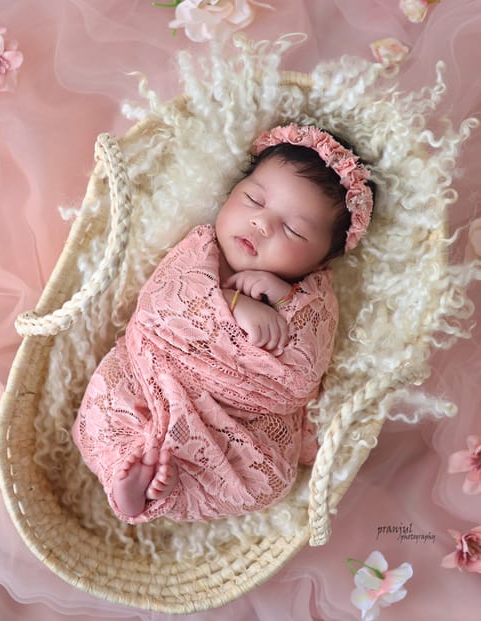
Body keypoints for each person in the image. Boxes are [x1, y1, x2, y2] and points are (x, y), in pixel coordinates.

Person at [72, 123, 375, 523]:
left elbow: (301, 377)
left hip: (236, 422)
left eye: (293, 230)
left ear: (322, 260)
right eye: (254, 199)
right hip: (151, 378)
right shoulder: (200, 249)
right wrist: (232, 304)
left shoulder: (313, 298)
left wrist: (283, 299)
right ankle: (125, 471)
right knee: (107, 404)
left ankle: (165, 489)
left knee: (268, 481)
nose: (262, 223)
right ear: (233, 191)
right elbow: (157, 308)